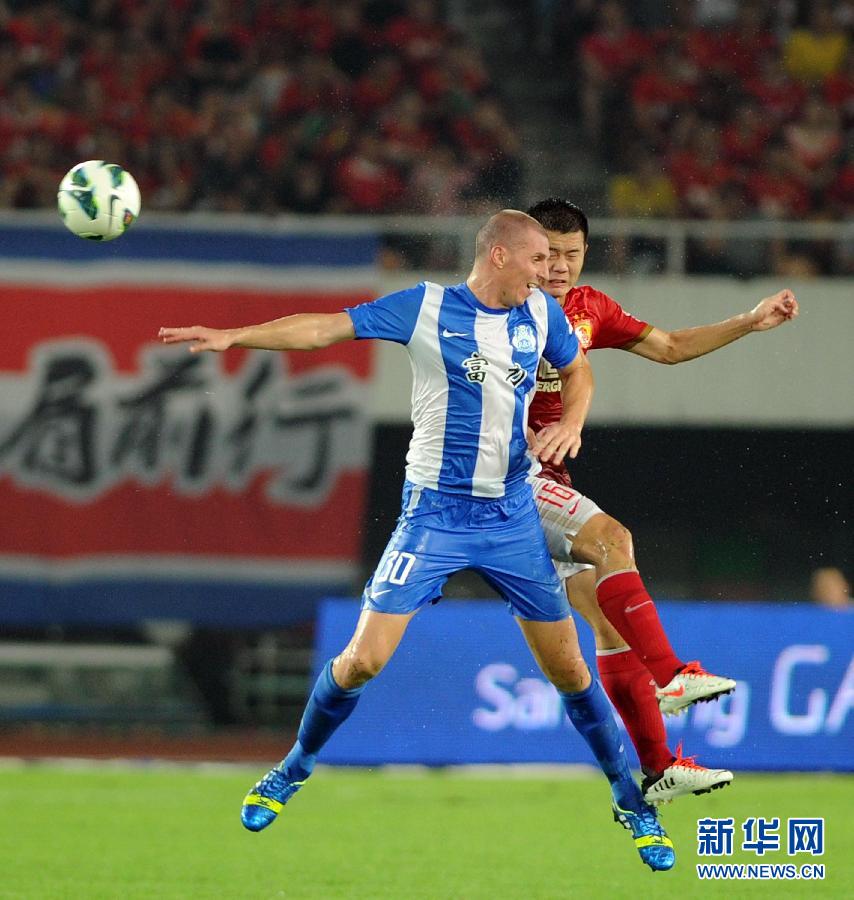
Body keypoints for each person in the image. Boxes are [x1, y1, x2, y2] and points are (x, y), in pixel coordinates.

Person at [159, 209, 675, 872]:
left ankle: (632, 803)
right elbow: (324, 329)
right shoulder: (425, 308)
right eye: (538, 259)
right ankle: (293, 766)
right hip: (434, 517)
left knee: (572, 671)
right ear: (498, 257)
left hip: (512, 518)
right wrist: (235, 337)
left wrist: (571, 422)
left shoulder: (542, 318)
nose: (549, 272)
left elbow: (578, 373)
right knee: (362, 662)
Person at [526, 198, 799, 804]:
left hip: (549, 481)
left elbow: (670, 346)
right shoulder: (496, 309)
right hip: (506, 474)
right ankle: (671, 674)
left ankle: (658, 770)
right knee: (614, 541)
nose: (558, 267)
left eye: (571, 255)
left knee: (605, 624)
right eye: (547, 255)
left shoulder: (588, 309)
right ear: (524, 252)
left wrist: (749, 321)